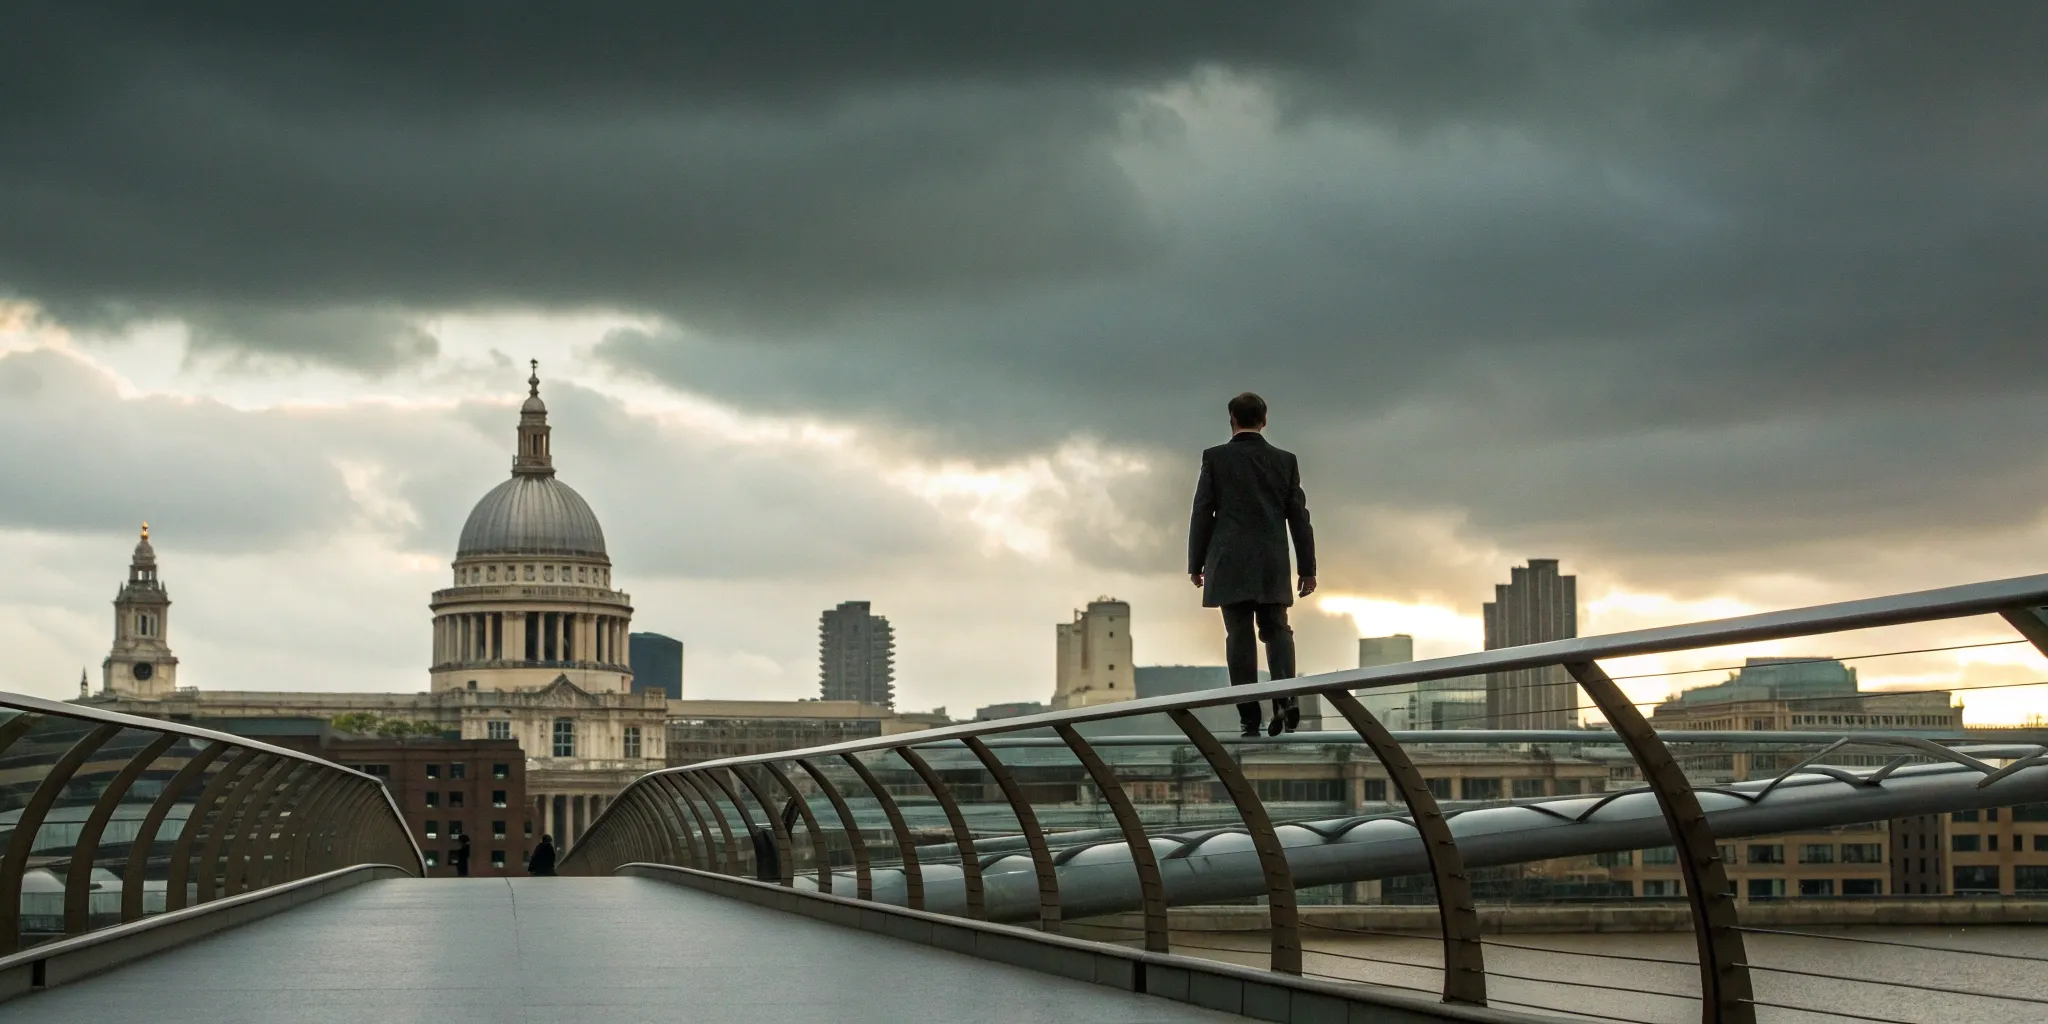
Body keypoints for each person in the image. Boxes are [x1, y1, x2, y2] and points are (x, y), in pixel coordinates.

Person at [1188, 391, 1316, 737]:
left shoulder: (1215, 459)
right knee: (1277, 630)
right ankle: (1285, 697)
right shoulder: (1285, 461)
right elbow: (1299, 518)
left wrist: (1196, 563)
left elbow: (1202, 512)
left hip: (1228, 562)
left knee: (1239, 637)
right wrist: (1307, 569)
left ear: (1231, 418)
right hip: (1271, 562)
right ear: (1265, 419)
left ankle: (1249, 719)